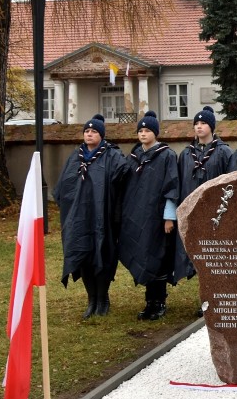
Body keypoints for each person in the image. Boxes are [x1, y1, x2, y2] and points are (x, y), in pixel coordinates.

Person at [54, 114, 129, 319]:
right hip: (79, 219)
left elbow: (121, 182)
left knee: (101, 256)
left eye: (93, 131)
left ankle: (103, 298)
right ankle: (91, 299)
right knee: (83, 255)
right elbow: (64, 186)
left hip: (102, 218)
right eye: (86, 131)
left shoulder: (112, 155)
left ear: (101, 135)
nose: (89, 134)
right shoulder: (75, 156)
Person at [118, 111, 180, 321]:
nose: (143, 134)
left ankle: (159, 301)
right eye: (141, 131)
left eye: (147, 131)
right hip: (137, 216)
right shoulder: (134, 157)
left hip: (158, 217)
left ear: (155, 133)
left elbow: (172, 186)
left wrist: (169, 217)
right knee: (143, 254)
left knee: (158, 257)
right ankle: (148, 302)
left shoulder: (167, 155)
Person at [174, 106, 233, 315]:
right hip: (193, 214)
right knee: (197, 259)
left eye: (203, 123)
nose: (199, 127)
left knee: (214, 259)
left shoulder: (224, 152)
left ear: (212, 127)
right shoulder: (186, 155)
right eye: (196, 124)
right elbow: (179, 183)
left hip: (216, 215)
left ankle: (215, 300)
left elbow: (230, 184)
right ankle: (204, 301)